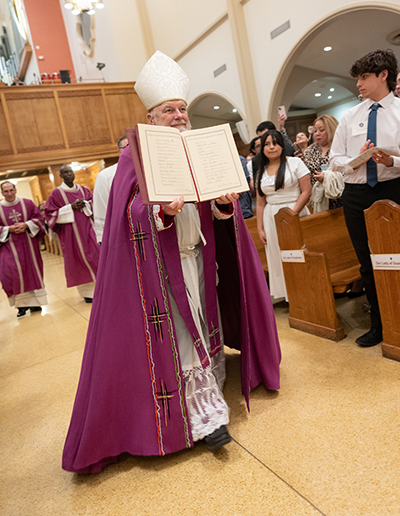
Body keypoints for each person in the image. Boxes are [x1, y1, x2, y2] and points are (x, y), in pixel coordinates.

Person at [62, 50, 281, 473]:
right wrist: (159, 212)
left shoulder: (200, 149)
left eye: (182, 108)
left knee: (201, 324)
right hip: (159, 272)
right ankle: (205, 418)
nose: (179, 115)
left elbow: (218, 211)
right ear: (152, 115)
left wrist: (222, 207)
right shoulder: (136, 156)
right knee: (179, 336)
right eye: (169, 110)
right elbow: (129, 214)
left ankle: (210, 390)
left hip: (198, 257)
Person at [330, 49, 400, 347]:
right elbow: (334, 160)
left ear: (383, 75)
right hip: (357, 194)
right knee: (368, 263)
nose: (358, 84)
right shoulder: (349, 116)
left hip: (393, 188)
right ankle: (379, 326)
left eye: (364, 77)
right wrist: (356, 161)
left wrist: (391, 162)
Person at [256, 130, 311, 301]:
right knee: (278, 255)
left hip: (294, 212)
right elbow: (260, 203)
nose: (271, 147)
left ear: (282, 145)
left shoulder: (294, 163)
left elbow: (306, 191)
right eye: (267, 144)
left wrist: (291, 214)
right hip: (271, 217)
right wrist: (260, 228)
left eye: (275, 143)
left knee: (299, 254)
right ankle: (289, 295)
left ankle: (306, 292)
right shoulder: (261, 171)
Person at [45, 165, 99, 303]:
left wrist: (86, 204)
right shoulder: (56, 194)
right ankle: (88, 294)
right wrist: (70, 208)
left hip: (89, 230)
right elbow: (50, 214)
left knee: (96, 256)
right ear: (61, 176)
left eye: (71, 172)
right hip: (71, 235)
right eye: (65, 173)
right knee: (78, 261)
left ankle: (101, 289)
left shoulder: (84, 190)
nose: (69, 174)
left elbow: (95, 204)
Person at [0, 181, 47, 317]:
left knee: (30, 271)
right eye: (6, 191)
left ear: (15, 190)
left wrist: (27, 225)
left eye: (11, 190)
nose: (9, 194)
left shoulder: (28, 203)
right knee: (11, 273)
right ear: (2, 193)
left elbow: (38, 218)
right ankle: (21, 306)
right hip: (8, 246)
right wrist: (8, 229)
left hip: (29, 246)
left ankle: (35, 303)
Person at [93, 135, 129, 243]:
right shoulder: (105, 176)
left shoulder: (148, 171)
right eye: (127, 147)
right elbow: (101, 208)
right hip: (121, 236)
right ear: (119, 151)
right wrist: (104, 239)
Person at [303, 114, 343, 210]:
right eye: (315, 131)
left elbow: (347, 171)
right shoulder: (310, 150)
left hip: (339, 200)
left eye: (321, 130)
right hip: (317, 200)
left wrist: (327, 178)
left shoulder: (340, 148)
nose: (317, 133)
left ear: (331, 129)